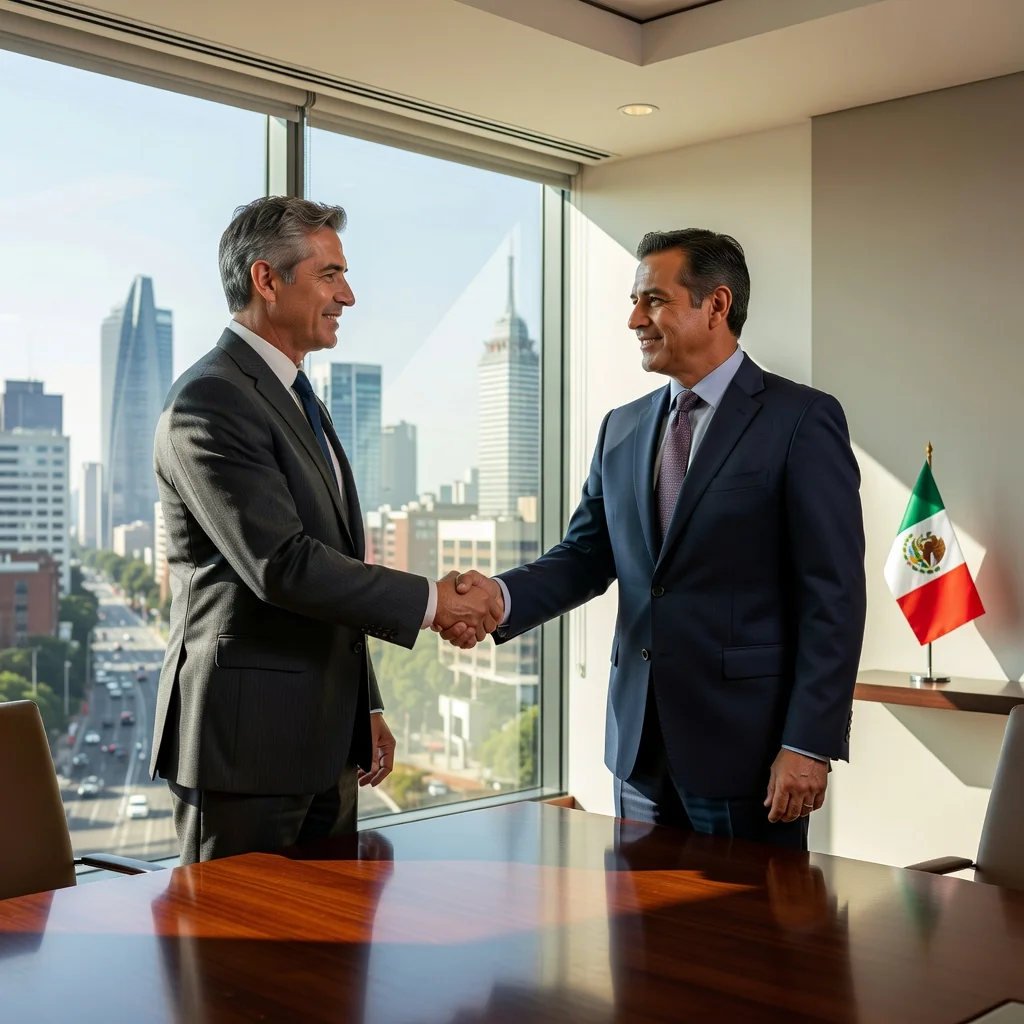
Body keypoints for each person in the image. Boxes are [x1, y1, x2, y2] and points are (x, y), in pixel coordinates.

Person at [443, 229, 866, 849]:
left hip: (749, 756)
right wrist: (499, 597)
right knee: (638, 941)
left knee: (747, 939)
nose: (635, 318)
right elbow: (585, 556)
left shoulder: (801, 420)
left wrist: (807, 743)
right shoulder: (623, 427)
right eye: (635, 301)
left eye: (655, 301)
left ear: (716, 305)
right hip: (638, 751)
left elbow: (833, 596)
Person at [150, 196, 500, 864]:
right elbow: (282, 565)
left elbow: (333, 562)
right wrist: (435, 602)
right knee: (240, 958)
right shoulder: (210, 400)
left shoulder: (296, 396)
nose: (350, 295)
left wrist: (363, 705)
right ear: (266, 279)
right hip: (243, 750)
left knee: (332, 960)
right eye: (331, 275)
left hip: (327, 745)